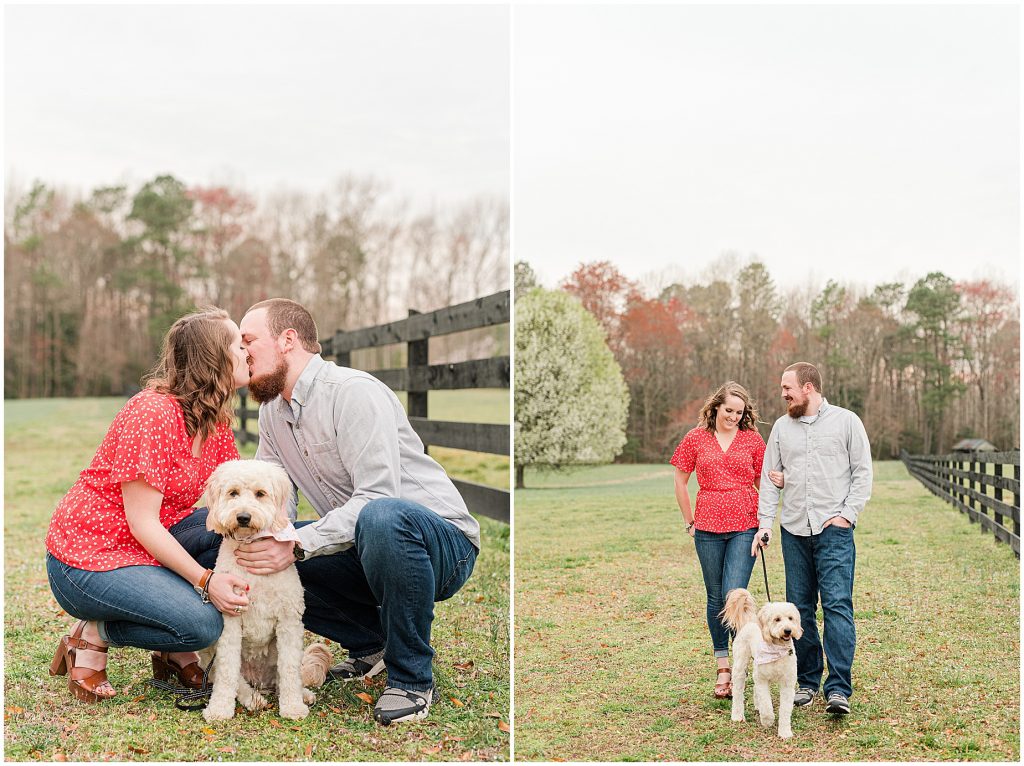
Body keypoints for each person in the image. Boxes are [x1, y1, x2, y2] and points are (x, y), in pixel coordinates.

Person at [177, 298, 481, 726]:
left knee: (380, 518)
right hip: (362, 543)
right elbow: (278, 503)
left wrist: (296, 544)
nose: (242, 353)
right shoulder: (271, 412)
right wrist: (271, 540)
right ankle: (371, 645)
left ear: (288, 340)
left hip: (439, 546)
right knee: (231, 544)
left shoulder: (354, 393)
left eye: (249, 341)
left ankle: (411, 680)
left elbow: (377, 496)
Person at [45, 308, 252, 703]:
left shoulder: (215, 422)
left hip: (151, 544)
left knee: (237, 533)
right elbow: (143, 523)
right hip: (91, 557)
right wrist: (207, 581)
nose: (245, 351)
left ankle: (171, 649)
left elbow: (234, 497)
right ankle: (91, 634)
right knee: (203, 624)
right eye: (237, 344)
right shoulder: (153, 412)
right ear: (214, 359)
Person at [753, 361, 872, 716]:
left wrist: (846, 516)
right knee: (800, 609)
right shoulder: (780, 428)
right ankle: (807, 680)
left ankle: (838, 689)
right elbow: (769, 477)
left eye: (787, 387)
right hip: (793, 530)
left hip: (833, 530)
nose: (783, 394)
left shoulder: (847, 421)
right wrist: (765, 524)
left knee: (837, 606)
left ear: (808, 387)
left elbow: (862, 472)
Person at [670, 381, 768, 699]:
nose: (734, 417)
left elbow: (763, 482)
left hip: (744, 525)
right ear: (715, 407)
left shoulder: (752, 439)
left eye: (739, 413)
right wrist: (689, 522)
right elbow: (681, 481)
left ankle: (744, 661)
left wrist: (765, 524)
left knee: (733, 595)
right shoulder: (696, 438)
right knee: (714, 597)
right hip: (708, 527)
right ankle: (723, 667)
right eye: (729, 411)